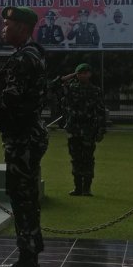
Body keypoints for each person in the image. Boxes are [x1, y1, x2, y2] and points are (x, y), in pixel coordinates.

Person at [0, 6, 49, 267]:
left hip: (23, 137)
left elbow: (12, 100)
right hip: (24, 136)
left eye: (7, 24)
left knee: (23, 199)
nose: (3, 28)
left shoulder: (25, 58)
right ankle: (29, 258)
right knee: (24, 198)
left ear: (22, 28)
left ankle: (28, 262)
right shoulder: (25, 55)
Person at [55, 63, 106, 196]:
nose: (82, 75)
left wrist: (101, 130)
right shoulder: (71, 88)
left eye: (85, 72)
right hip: (74, 129)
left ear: (89, 74)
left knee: (88, 158)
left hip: (89, 129)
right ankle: (77, 187)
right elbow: (53, 86)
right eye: (79, 73)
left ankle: (87, 188)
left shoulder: (95, 91)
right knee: (75, 158)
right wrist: (68, 77)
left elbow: (100, 111)